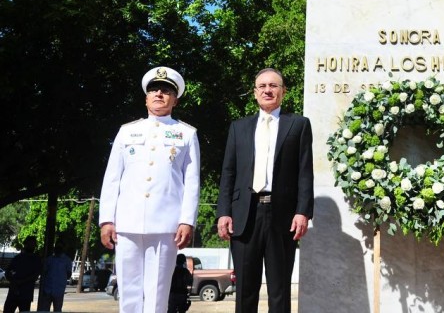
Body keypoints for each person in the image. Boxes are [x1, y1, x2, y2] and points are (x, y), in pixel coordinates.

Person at [99, 66, 201, 313]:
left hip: (166, 225)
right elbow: (112, 178)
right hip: (127, 222)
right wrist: (106, 220)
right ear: (145, 97)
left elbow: (192, 181)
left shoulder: (187, 134)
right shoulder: (127, 131)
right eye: (154, 90)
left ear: (174, 99)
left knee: (157, 294)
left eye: (166, 91)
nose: (159, 94)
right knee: (129, 292)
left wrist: (187, 221)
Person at [216, 68, 314, 313]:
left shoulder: (298, 125)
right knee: (245, 291)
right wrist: (223, 212)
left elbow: (305, 171)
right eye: (262, 86)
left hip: (282, 217)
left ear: (283, 91)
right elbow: (228, 173)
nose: (268, 90)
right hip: (244, 216)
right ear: (255, 93)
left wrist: (303, 212)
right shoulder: (238, 128)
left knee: (279, 291)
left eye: (273, 85)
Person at [3, 236, 42, 313]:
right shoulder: (17, 258)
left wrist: (21, 281)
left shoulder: (36, 259)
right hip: (13, 293)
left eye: (33, 244)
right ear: (25, 244)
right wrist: (13, 280)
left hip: (25, 294)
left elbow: (35, 275)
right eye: (30, 244)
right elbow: (8, 271)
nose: (32, 246)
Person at [39, 242, 72, 311]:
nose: (57, 249)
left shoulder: (67, 260)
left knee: (57, 309)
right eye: (56, 248)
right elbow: (44, 272)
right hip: (47, 289)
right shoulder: (49, 259)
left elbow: (69, 274)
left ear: (63, 249)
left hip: (59, 290)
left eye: (59, 248)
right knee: (44, 309)